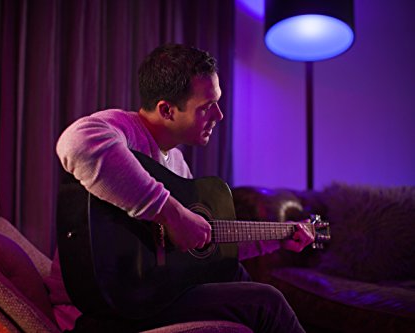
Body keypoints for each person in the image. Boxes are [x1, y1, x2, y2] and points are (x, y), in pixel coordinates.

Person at [55, 44, 314, 332]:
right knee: (267, 301)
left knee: (232, 272)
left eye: (217, 102)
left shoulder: (177, 164)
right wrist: (172, 214)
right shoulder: (122, 129)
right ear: (167, 110)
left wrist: (280, 238)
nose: (219, 116)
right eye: (206, 107)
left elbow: (205, 244)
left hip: (152, 293)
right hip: (109, 301)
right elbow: (76, 144)